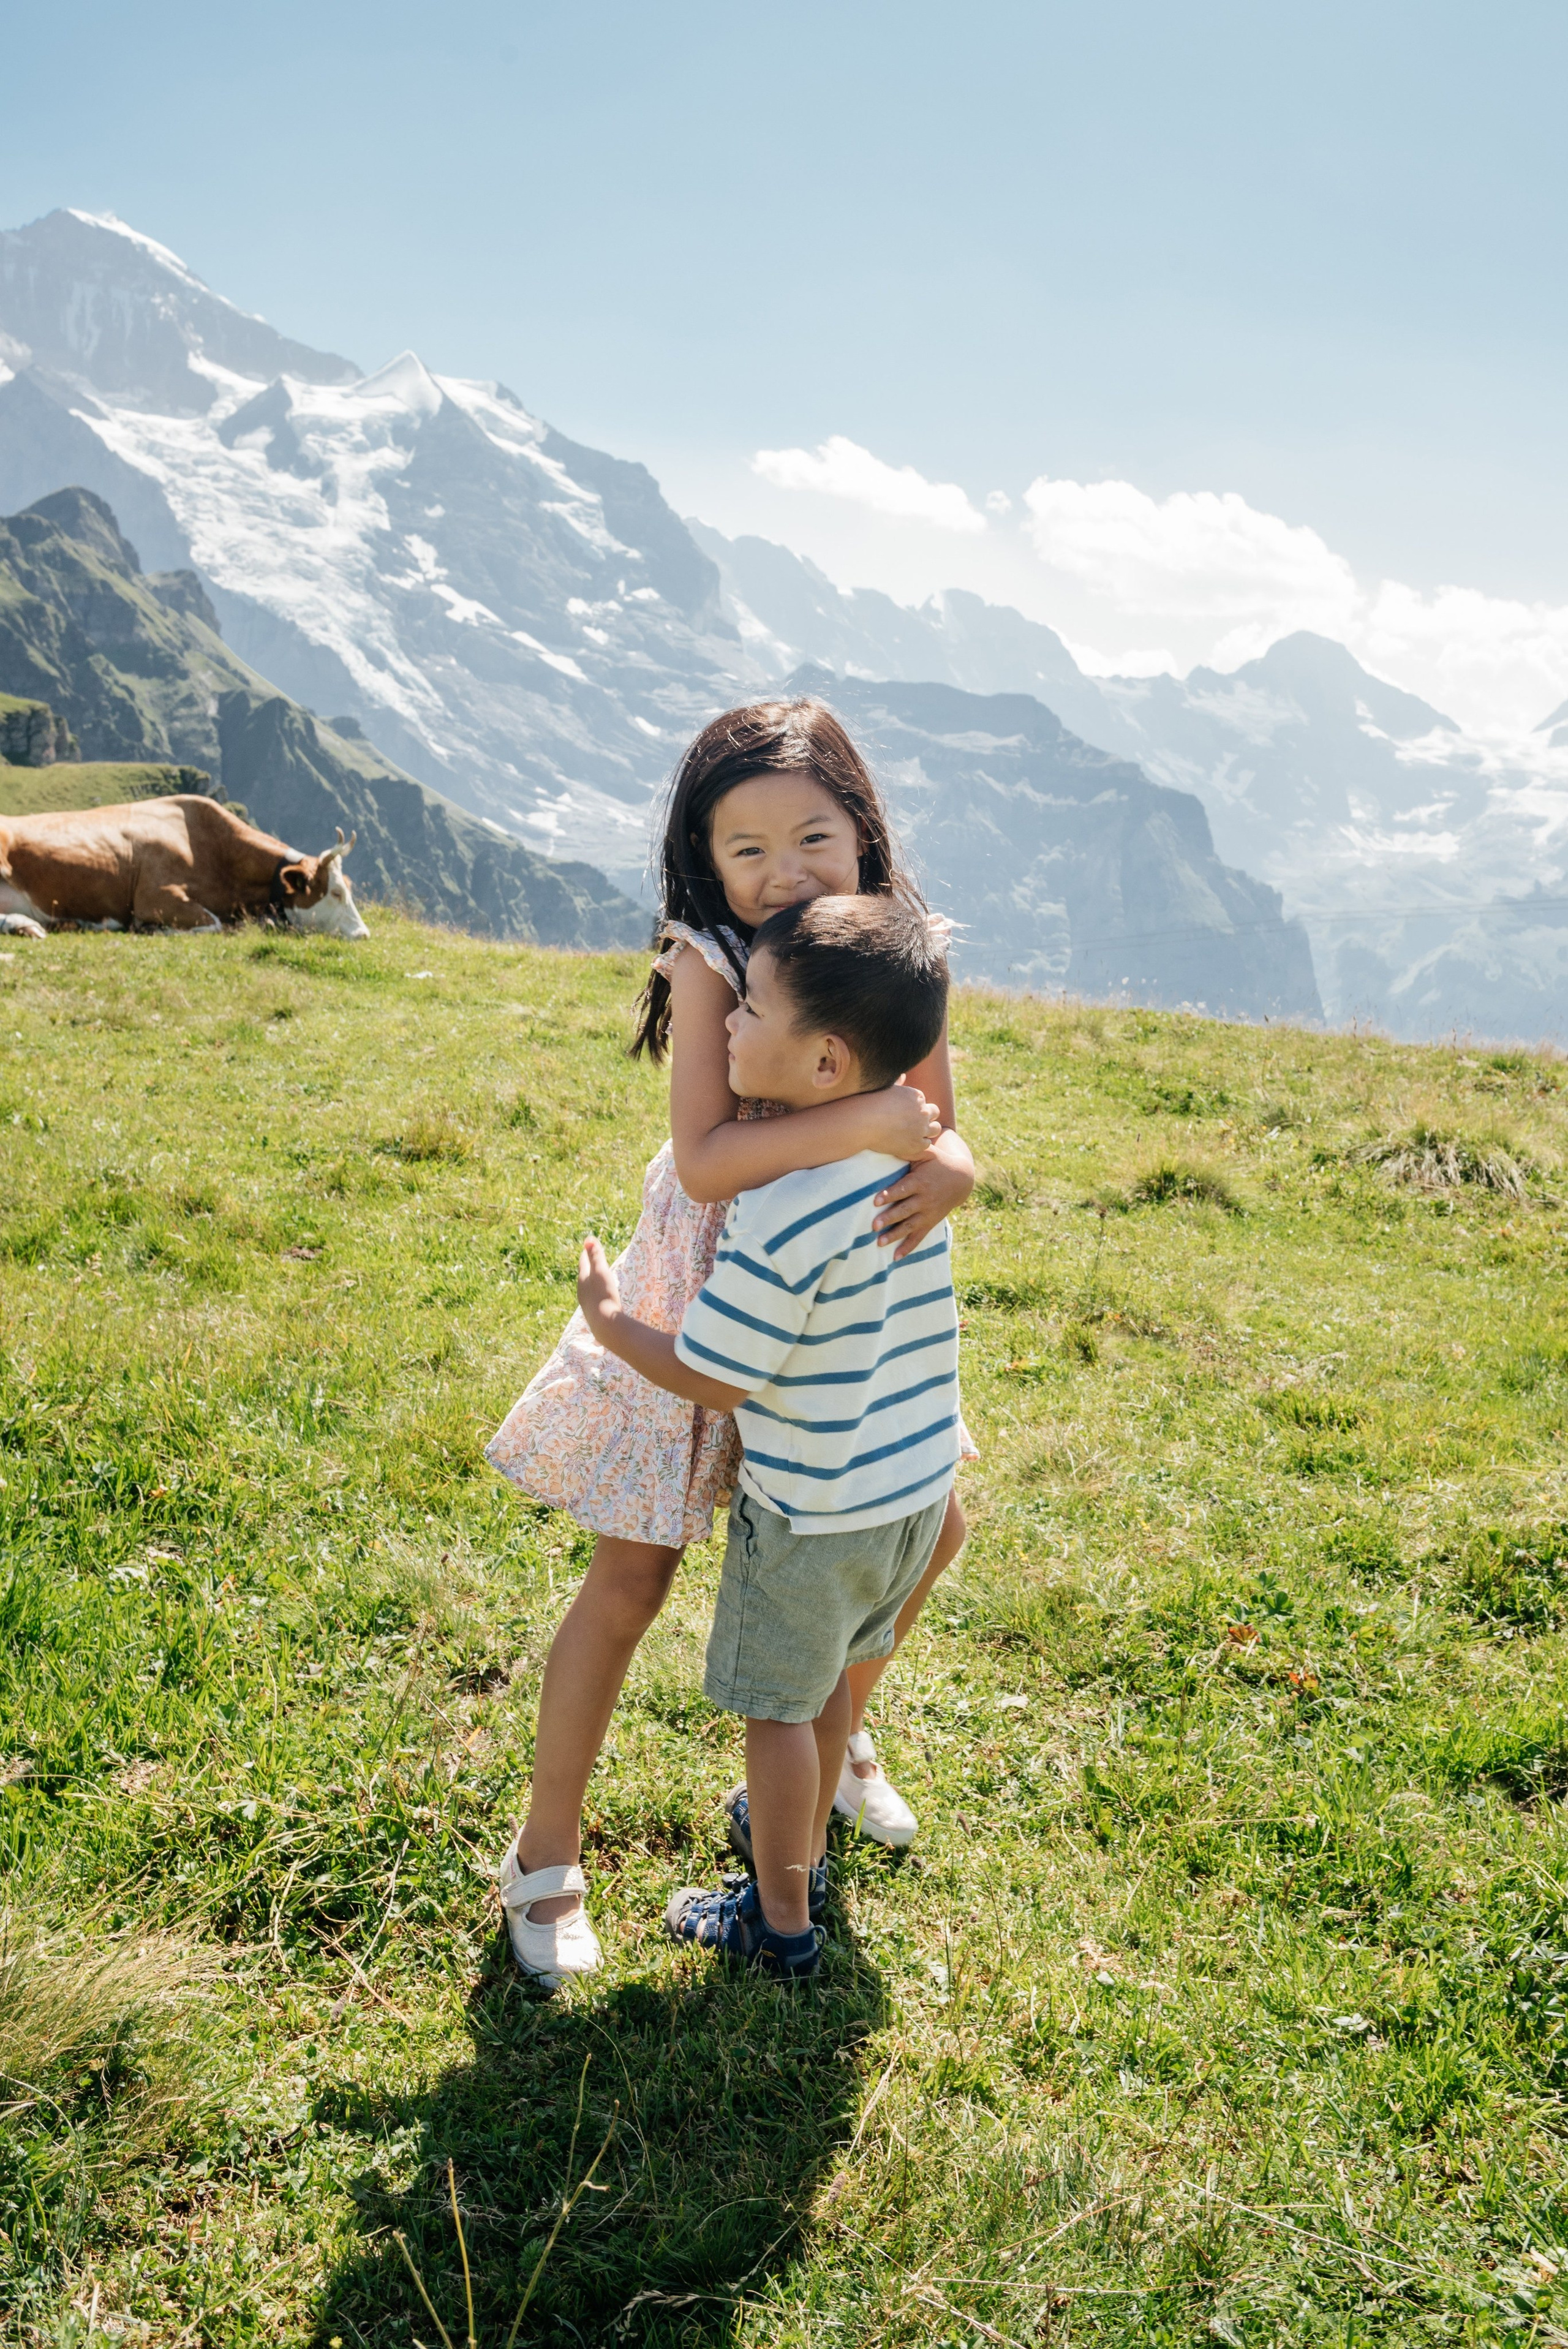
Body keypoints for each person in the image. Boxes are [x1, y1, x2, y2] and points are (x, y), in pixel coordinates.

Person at [485, 699, 975, 1987]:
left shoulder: (889, 950)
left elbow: (932, 1114)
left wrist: (954, 1162)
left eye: (810, 836)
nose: (780, 870)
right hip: (708, 1287)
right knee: (634, 1574)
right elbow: (705, 1162)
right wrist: (863, 1127)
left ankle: (821, 1754)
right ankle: (546, 1852)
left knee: (904, 1529)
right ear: (704, 863)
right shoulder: (707, 957)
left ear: (861, 833)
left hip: (849, 1307)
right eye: (742, 847)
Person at [577, 893, 959, 1976]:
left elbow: (713, 1373)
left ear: (827, 1065)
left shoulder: (787, 1207)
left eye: (747, 1009)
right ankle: (800, 1858)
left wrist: (615, 1325)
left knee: (780, 1718)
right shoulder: (907, 1171)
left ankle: (780, 1923)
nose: (728, 1027)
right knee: (833, 1689)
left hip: (814, 1514)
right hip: (913, 1500)